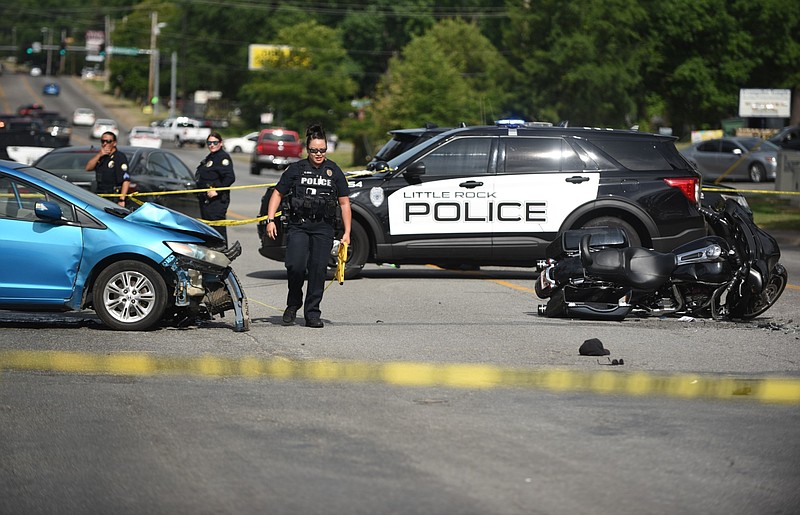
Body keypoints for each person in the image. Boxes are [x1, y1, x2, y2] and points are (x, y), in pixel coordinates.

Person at [265, 123, 351, 328]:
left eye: (322, 150)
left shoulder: (334, 171)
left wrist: (347, 232)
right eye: (314, 150)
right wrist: (270, 220)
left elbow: (345, 202)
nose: (318, 154)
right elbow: (277, 193)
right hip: (299, 225)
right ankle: (293, 304)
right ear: (307, 150)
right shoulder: (296, 169)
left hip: (324, 227)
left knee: (318, 269)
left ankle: (312, 313)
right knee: (295, 266)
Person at [196, 131, 236, 243]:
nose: (212, 145)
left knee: (217, 226)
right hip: (206, 199)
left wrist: (217, 190)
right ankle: (211, 249)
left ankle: (221, 248)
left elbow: (230, 177)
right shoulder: (211, 157)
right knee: (208, 227)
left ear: (221, 143)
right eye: (209, 143)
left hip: (217, 200)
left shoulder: (223, 157)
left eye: (215, 142)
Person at [85, 131, 130, 207]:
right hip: (100, 193)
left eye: (108, 141)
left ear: (114, 143)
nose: (105, 143)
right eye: (103, 141)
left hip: (113, 195)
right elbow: (88, 168)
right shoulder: (101, 157)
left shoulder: (119, 157)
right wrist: (99, 155)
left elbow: (126, 180)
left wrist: (121, 199)